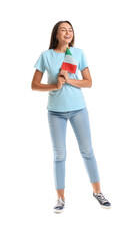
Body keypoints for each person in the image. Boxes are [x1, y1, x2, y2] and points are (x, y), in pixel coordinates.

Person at [31, 20, 111, 213]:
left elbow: (89, 82)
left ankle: (98, 192)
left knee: (87, 151)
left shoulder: (78, 53)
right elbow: (34, 85)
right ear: (56, 35)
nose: (68, 32)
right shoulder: (46, 56)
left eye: (70, 30)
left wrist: (69, 80)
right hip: (55, 112)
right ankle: (60, 198)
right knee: (59, 155)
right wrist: (55, 85)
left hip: (78, 109)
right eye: (63, 30)